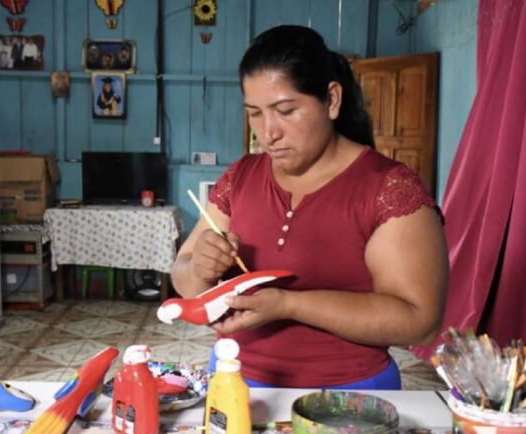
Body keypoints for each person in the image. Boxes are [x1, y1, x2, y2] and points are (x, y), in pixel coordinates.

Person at [170, 25, 449, 390]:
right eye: (255, 113)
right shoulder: (241, 177)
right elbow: (185, 280)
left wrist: (289, 305)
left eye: (285, 110)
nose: (267, 132)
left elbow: (420, 319)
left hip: (349, 398)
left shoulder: (388, 188)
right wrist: (201, 269)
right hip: (234, 383)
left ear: (332, 100)